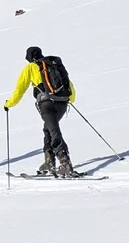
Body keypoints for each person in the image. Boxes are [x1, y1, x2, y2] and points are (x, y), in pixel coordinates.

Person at [5, 46, 78, 177]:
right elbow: (70, 87)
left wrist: (9, 104)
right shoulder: (53, 66)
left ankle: (64, 160)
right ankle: (49, 161)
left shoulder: (31, 67)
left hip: (46, 104)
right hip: (62, 102)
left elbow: (19, 90)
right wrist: (67, 100)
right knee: (48, 129)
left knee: (53, 131)